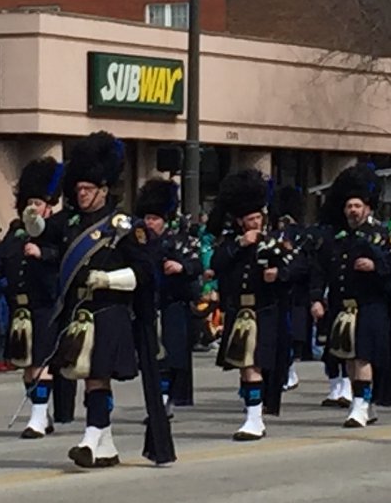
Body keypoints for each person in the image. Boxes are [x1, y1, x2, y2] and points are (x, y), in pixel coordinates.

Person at [41, 132, 171, 469]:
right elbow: (44, 240)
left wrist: (108, 279)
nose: (81, 195)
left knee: (98, 375)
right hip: (80, 312)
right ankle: (107, 445)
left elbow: (145, 274)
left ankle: (90, 438)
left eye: (87, 189)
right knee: (89, 377)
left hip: (110, 310)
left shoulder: (124, 226)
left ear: (103, 189)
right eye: (78, 189)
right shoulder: (70, 223)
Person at [314, 165, 391, 429]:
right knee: (350, 359)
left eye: (357, 205)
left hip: (372, 305)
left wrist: (376, 267)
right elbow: (321, 269)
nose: (353, 210)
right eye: (349, 205)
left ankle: (360, 406)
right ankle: (365, 403)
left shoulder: (383, 235)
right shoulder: (336, 238)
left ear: (368, 208)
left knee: (363, 356)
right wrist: (316, 298)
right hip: (343, 307)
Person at [210, 169, 289, 442]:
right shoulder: (232, 243)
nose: (255, 222)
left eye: (258, 217)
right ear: (241, 221)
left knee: (254, 364)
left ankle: (256, 417)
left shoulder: (274, 241)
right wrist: (240, 245)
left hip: (264, 310)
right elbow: (216, 264)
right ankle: (253, 416)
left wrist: (278, 274)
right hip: (239, 311)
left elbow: (298, 267)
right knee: (246, 365)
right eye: (250, 219)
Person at [0, 157, 66, 439]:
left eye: (38, 202)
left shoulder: (58, 231)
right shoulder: (15, 233)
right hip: (19, 307)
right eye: (29, 202)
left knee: (41, 361)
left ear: (49, 206)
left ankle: (37, 417)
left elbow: (66, 259)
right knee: (26, 364)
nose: (32, 207)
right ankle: (42, 412)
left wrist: (44, 254)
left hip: (46, 305)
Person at [137, 179, 202, 413]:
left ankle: (166, 398)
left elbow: (197, 264)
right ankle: (157, 398)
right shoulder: (138, 243)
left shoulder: (180, 240)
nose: (149, 223)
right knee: (152, 357)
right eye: (147, 218)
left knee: (172, 356)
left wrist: (180, 267)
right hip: (148, 305)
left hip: (174, 305)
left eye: (154, 219)